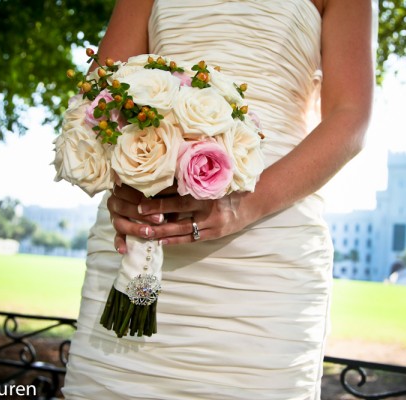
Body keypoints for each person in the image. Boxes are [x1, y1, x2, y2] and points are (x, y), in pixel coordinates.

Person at [63, 0, 376, 398]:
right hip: (143, 238)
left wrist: (245, 205)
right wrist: (125, 182)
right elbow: (100, 96)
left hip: (265, 245)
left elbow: (350, 116)